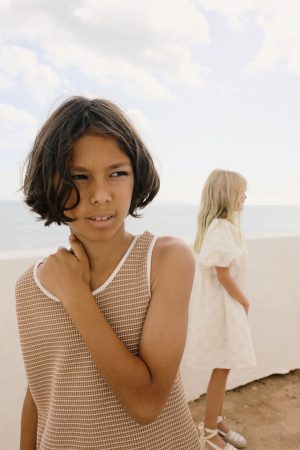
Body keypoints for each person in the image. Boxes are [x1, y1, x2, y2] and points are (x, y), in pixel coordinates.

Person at [16, 96, 201, 450]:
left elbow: (146, 404)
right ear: (50, 182)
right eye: (79, 177)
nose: (100, 195)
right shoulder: (29, 286)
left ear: (137, 176)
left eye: (117, 173)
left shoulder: (165, 261)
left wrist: (76, 296)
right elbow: (40, 394)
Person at [186, 169, 256, 450]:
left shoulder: (224, 227)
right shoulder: (221, 228)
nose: (245, 197)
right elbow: (223, 273)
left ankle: (216, 419)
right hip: (223, 309)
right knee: (221, 368)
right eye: (242, 192)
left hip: (224, 307)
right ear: (228, 194)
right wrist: (245, 301)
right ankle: (210, 432)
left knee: (223, 368)